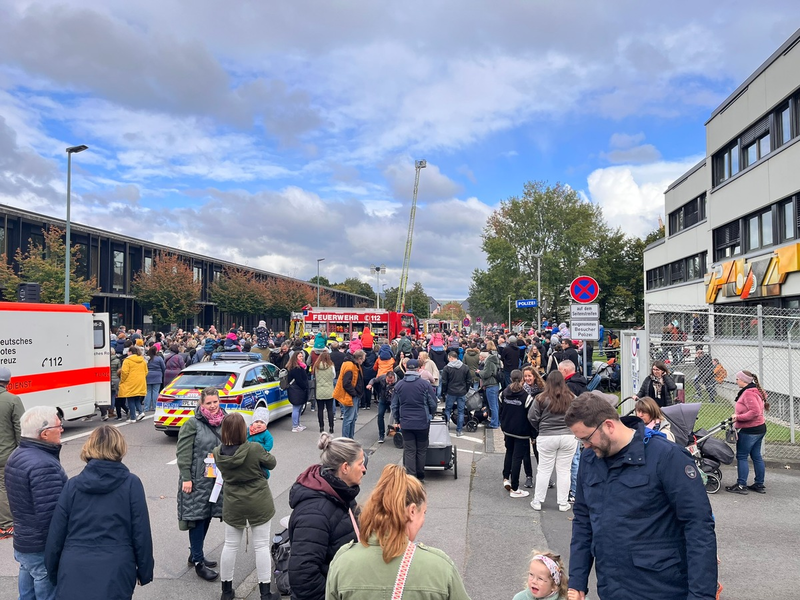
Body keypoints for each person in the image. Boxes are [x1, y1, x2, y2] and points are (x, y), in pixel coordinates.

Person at [565, 392, 718, 599]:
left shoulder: (667, 456)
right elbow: (583, 521)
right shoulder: (590, 459)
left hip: (661, 588)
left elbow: (698, 526)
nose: (585, 445)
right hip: (612, 587)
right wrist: (577, 580)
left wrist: (701, 595)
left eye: (586, 438)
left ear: (609, 425)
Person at [326, 464, 470, 600]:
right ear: (412, 511)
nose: (423, 521)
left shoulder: (342, 563)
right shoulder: (440, 567)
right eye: (424, 513)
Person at [44, 426, 153, 599]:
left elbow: (57, 533)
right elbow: (141, 531)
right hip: (116, 568)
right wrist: (145, 571)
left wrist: (52, 570)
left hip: (74, 567)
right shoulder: (131, 484)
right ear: (119, 447)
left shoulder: (73, 485)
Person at [288, 434, 365, 600]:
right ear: (345, 467)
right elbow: (303, 576)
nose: (364, 469)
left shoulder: (342, 492)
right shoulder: (314, 514)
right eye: (360, 464)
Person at [213, 413, 279, 600]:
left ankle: (226, 591)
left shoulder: (218, 452)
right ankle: (265, 593)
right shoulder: (254, 448)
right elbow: (272, 463)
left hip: (233, 502)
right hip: (258, 501)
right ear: (243, 430)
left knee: (230, 545)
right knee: (261, 546)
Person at [5, 406, 67, 600]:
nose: (62, 429)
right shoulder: (43, 465)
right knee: (47, 590)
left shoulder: (17, 455)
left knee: (27, 590)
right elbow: (52, 515)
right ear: (44, 433)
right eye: (59, 426)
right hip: (41, 545)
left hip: (24, 541)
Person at [176, 387, 225, 581]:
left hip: (215, 480)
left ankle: (195, 553)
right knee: (197, 518)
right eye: (208, 403)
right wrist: (186, 478)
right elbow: (183, 453)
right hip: (196, 480)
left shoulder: (224, 421)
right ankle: (198, 562)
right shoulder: (192, 424)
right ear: (201, 404)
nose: (213, 406)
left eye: (215, 402)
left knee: (208, 515)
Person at [527, 371, 577, 512]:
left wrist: (540, 428)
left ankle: (538, 501)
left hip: (547, 436)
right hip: (568, 436)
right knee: (564, 470)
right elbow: (578, 415)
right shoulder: (572, 398)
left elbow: (532, 417)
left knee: (544, 470)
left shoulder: (541, 398)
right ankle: (563, 503)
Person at [391, 359, 438, 481]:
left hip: (406, 423)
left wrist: (398, 419)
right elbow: (433, 403)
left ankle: (411, 478)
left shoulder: (399, 385)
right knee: (421, 449)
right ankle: (420, 475)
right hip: (422, 422)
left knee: (409, 450)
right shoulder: (425, 384)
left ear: (406, 368)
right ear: (418, 369)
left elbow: (394, 405)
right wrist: (431, 415)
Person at [726, 370, 769, 495]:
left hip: (750, 430)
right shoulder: (754, 391)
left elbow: (755, 412)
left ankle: (741, 484)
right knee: (756, 456)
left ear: (743, 380)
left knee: (742, 456)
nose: (736, 381)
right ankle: (759, 484)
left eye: (737, 379)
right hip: (759, 428)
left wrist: (738, 417)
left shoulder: (748, 393)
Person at [500, 370, 534, 498]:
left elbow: (501, 411)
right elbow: (531, 417)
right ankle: (514, 488)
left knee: (509, 453)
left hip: (507, 430)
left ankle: (506, 478)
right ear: (522, 380)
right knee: (517, 459)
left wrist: (503, 425)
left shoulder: (503, 393)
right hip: (522, 432)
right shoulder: (527, 397)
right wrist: (533, 435)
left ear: (510, 379)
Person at [0, 367, 24, 539]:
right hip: (5, 454)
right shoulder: (12, 400)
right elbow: (20, 429)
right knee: (3, 488)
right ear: (8, 381)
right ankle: (7, 526)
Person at [333, 349, 365, 439]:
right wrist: (354, 393)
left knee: (352, 418)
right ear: (359, 358)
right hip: (350, 396)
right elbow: (346, 383)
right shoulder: (351, 365)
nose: (363, 361)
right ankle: (346, 439)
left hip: (353, 395)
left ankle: (349, 438)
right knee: (349, 419)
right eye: (363, 359)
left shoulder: (351, 364)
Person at [441, 351, 472, 437]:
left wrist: (444, 391)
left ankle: (446, 428)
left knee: (448, 410)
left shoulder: (447, 368)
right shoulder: (465, 367)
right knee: (461, 411)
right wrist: (466, 390)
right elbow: (469, 380)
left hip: (451, 391)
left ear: (451, 357)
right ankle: (459, 430)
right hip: (461, 392)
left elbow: (444, 382)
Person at [116, 345, 148, 423]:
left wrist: (122, 381)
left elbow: (124, 372)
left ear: (130, 352)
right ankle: (141, 412)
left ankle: (133, 417)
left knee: (130, 399)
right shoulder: (142, 360)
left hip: (130, 382)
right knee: (136, 398)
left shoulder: (127, 361)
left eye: (128, 351)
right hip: (140, 381)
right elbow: (146, 371)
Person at [366, 370, 397, 444]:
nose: (390, 383)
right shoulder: (382, 378)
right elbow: (374, 380)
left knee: (396, 416)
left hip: (393, 400)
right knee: (380, 415)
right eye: (388, 381)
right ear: (386, 377)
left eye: (391, 381)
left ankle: (394, 431)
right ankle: (381, 434)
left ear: (394, 378)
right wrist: (370, 384)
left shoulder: (398, 381)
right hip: (383, 398)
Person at [476, 340, 502, 429]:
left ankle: (494, 423)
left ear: (483, 357)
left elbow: (486, 374)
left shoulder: (489, 362)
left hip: (491, 385)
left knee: (492, 406)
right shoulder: (494, 360)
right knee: (495, 405)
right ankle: (497, 422)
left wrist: (479, 372)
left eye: (480, 356)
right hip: (495, 384)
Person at [312, 350, 336, 434]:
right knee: (330, 409)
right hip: (329, 389)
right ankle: (331, 427)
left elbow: (315, 376)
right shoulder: (331, 366)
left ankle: (321, 427)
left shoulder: (316, 366)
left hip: (319, 389)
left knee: (320, 409)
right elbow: (334, 376)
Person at [247, 407, 275, 478]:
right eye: (256, 422)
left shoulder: (265, 433)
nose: (259, 424)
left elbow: (270, 441)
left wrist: (264, 449)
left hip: (260, 452)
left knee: (261, 465)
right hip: (248, 451)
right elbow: (243, 438)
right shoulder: (248, 430)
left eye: (262, 422)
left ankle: (264, 474)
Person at [286, 351, 309, 433]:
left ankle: (298, 424)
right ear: (295, 358)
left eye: (302, 356)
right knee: (296, 408)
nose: (301, 358)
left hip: (297, 390)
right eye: (299, 356)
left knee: (299, 408)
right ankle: (295, 426)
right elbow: (299, 380)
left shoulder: (300, 366)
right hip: (296, 390)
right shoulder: (296, 368)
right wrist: (304, 387)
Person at [144, 345, 166, 412]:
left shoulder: (147, 359)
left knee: (148, 392)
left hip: (148, 375)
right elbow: (163, 367)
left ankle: (146, 407)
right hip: (157, 375)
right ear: (156, 351)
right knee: (155, 392)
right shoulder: (159, 358)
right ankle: (155, 406)